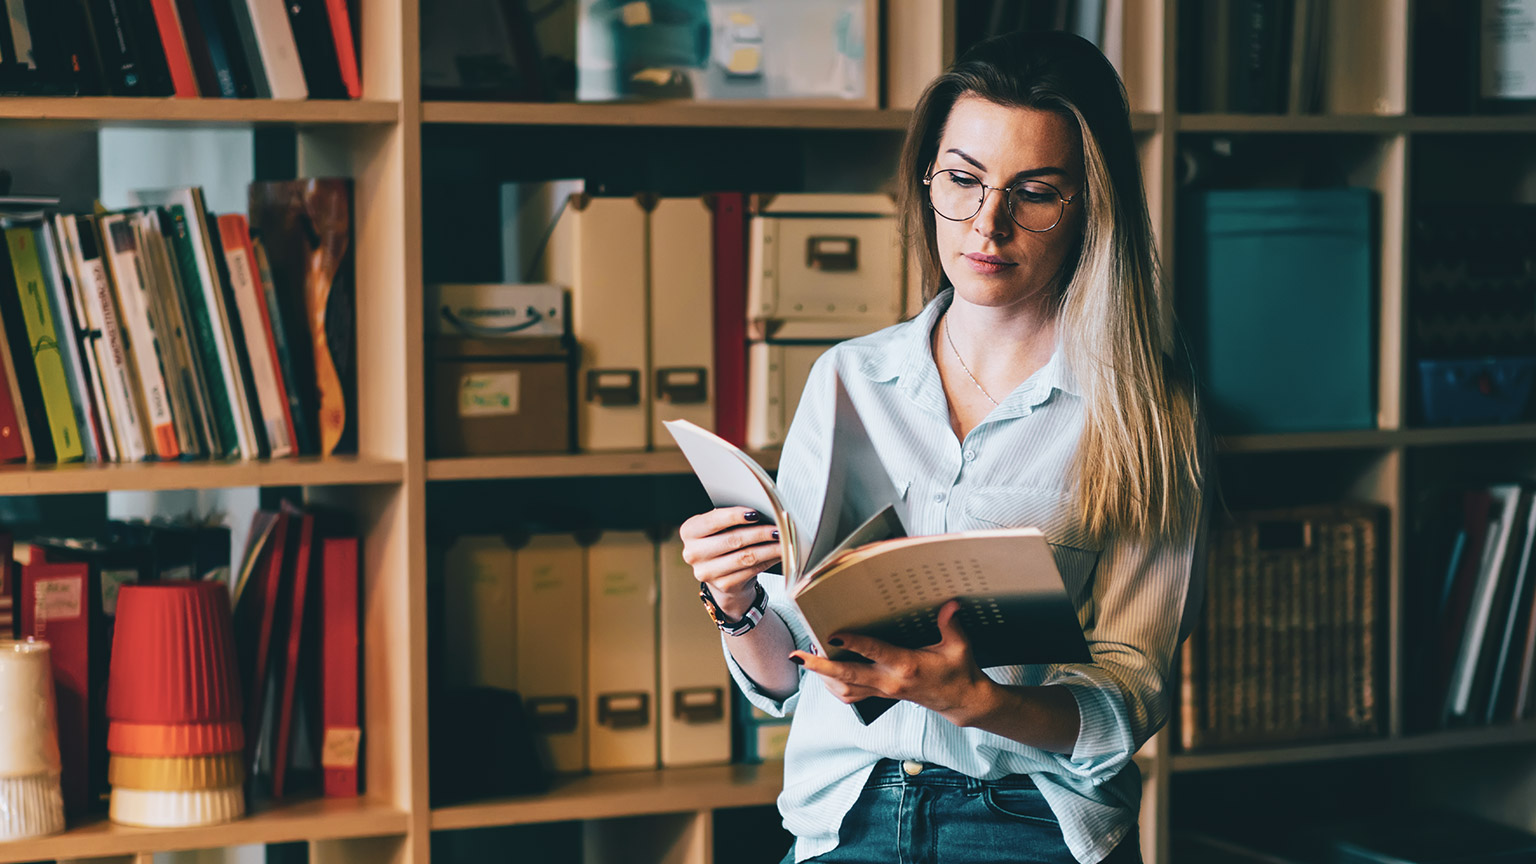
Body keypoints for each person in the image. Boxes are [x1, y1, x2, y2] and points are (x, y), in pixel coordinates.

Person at [679, 29, 1211, 864]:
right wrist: (737, 600)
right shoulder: (847, 380)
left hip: (1028, 827)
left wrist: (977, 702)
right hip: (840, 820)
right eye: (962, 180)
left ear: (1090, 205)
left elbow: (1130, 693)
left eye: (1034, 192)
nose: (986, 223)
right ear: (928, 178)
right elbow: (788, 679)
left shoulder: (1144, 413)